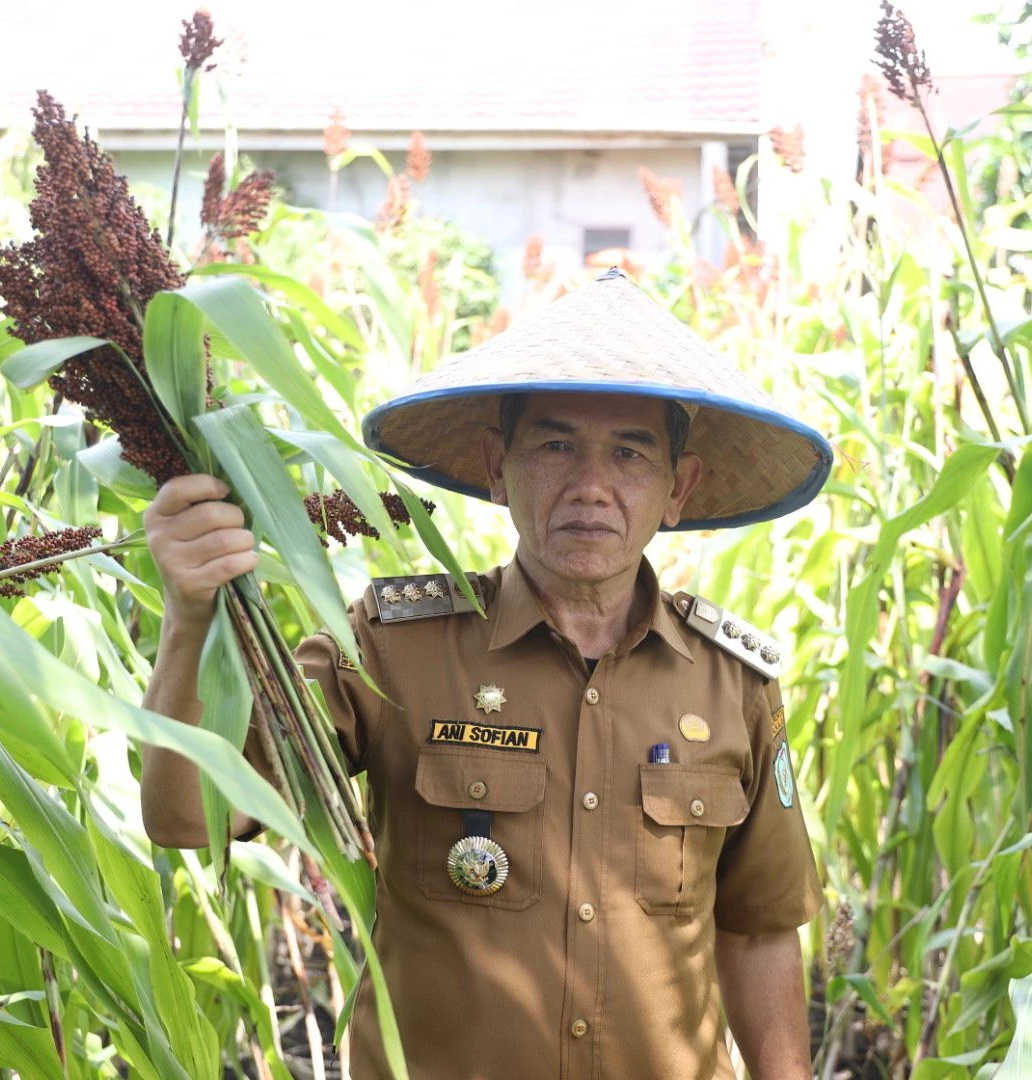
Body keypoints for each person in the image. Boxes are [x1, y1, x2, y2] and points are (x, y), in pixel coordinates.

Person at [140, 269, 833, 1080]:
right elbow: (194, 819)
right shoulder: (391, 649)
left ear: (678, 489)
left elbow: (757, 931)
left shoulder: (733, 686)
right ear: (497, 468)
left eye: (631, 453)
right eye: (555, 444)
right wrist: (190, 619)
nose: (591, 486)